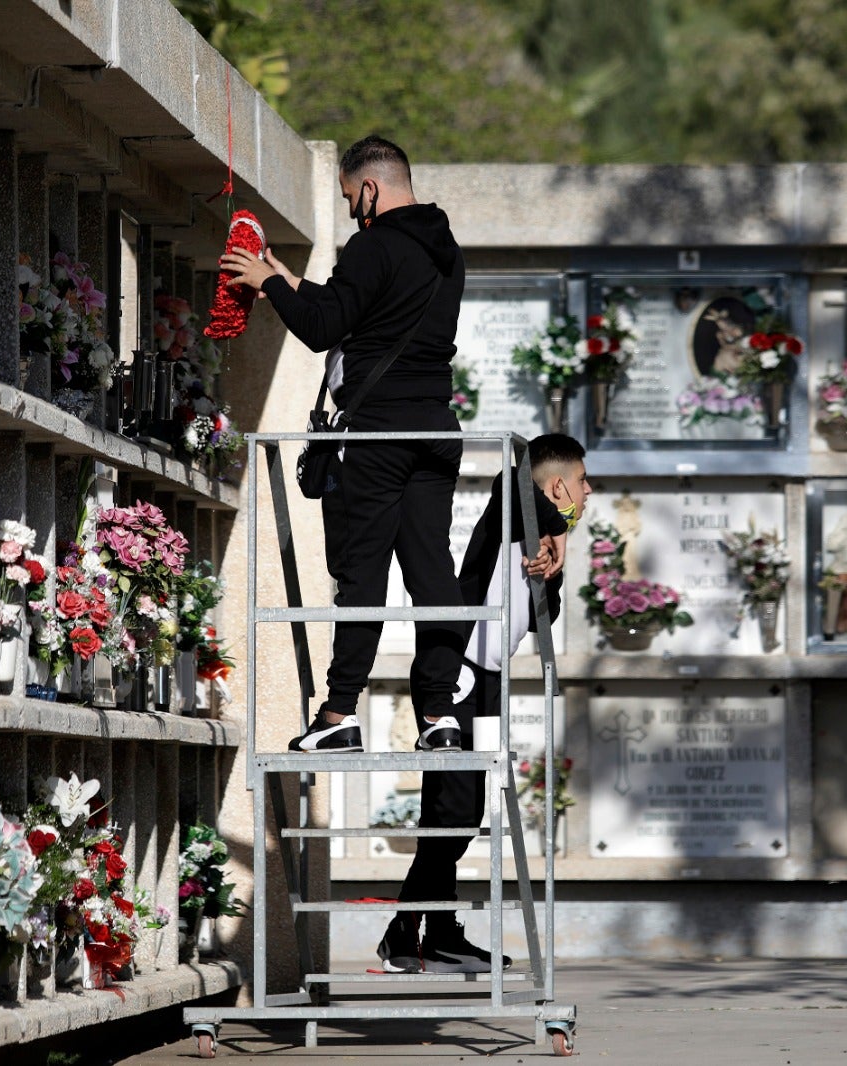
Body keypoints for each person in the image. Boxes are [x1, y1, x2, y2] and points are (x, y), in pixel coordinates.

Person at [219, 135, 468, 753]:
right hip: (436, 430)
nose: (351, 210)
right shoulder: (446, 251)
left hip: (379, 432)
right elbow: (357, 308)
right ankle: (440, 715)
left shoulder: (372, 244)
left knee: (363, 575)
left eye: (349, 198)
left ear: (369, 188)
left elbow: (324, 326)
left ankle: (338, 714)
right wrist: (282, 275)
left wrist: (267, 289)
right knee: (433, 571)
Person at [377, 433, 590, 974]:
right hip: (458, 678)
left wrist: (554, 567)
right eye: (583, 482)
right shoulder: (514, 510)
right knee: (451, 813)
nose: (590, 493)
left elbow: (535, 614)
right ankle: (404, 931)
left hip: (490, 684)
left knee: (462, 815)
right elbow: (510, 478)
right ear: (559, 485)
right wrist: (559, 525)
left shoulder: (539, 539)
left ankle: (439, 933)